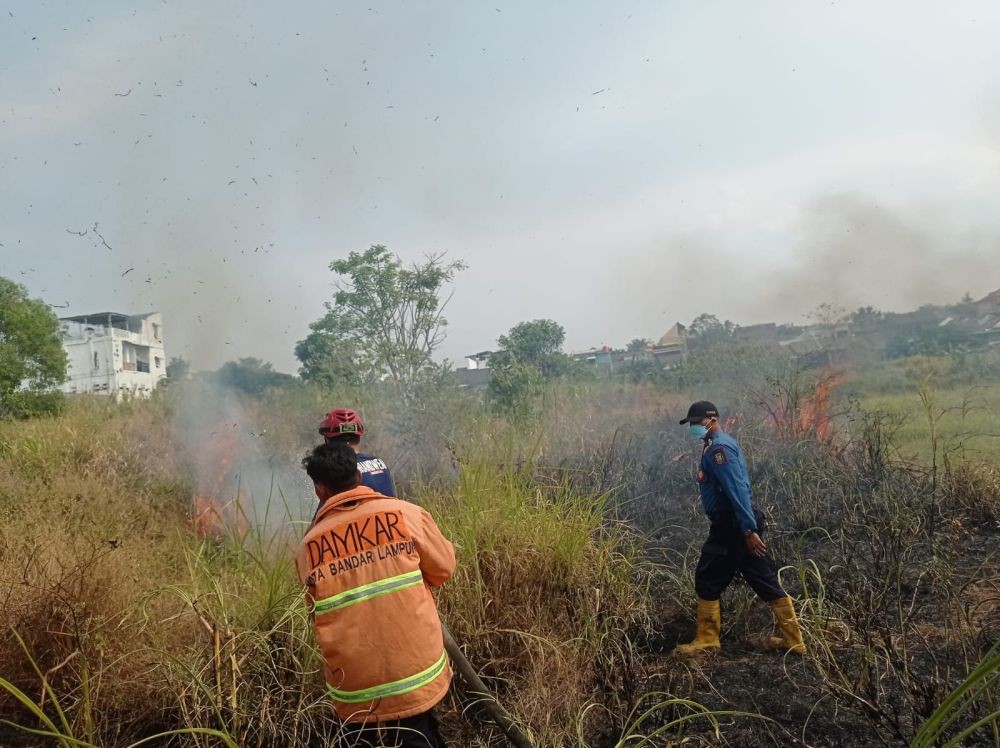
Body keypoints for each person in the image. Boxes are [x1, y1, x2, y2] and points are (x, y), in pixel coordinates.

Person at [297, 440, 456, 747]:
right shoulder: (407, 515)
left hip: (353, 690)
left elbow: (315, 610)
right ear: (358, 477)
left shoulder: (307, 548)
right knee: (419, 732)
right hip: (418, 674)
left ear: (319, 490)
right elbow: (443, 569)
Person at [675, 400, 806, 655]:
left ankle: (707, 640)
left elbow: (737, 490)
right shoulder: (715, 445)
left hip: (731, 525)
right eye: (691, 423)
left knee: (708, 577)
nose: (693, 427)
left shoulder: (719, 450)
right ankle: (794, 640)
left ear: (712, 419)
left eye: (697, 422)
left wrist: (748, 530)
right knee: (762, 578)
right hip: (735, 523)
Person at [319, 408, 397, 497]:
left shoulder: (338, 469)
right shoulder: (379, 462)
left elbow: (327, 508)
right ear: (358, 437)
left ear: (327, 439)